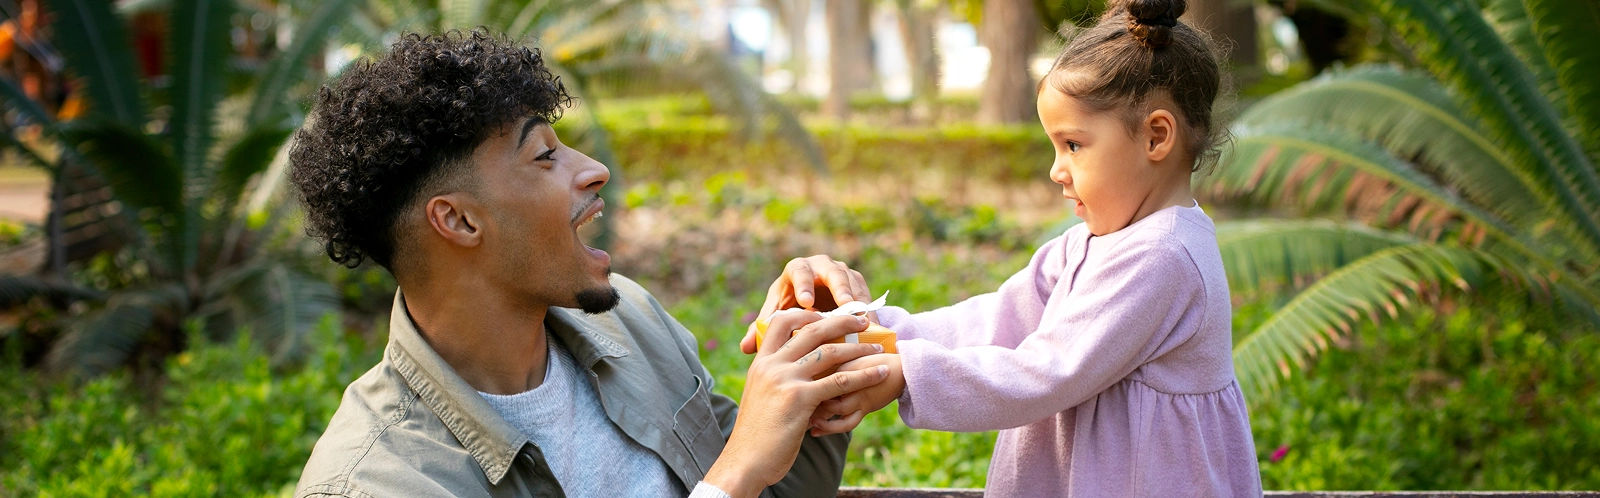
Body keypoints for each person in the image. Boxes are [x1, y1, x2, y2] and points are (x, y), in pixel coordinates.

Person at [288, 30, 889, 498]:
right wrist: (729, 479)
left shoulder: (630, 320)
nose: (593, 168)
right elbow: (740, 476)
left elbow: (775, 485)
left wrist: (813, 361)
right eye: (545, 156)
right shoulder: (379, 481)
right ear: (460, 221)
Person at [746, 0, 1265, 495]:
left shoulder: (1163, 258)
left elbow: (1047, 370)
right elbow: (996, 321)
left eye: (1074, 145)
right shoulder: (1089, 244)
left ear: (1156, 137)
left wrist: (907, 373)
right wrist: (868, 332)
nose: (1056, 170)